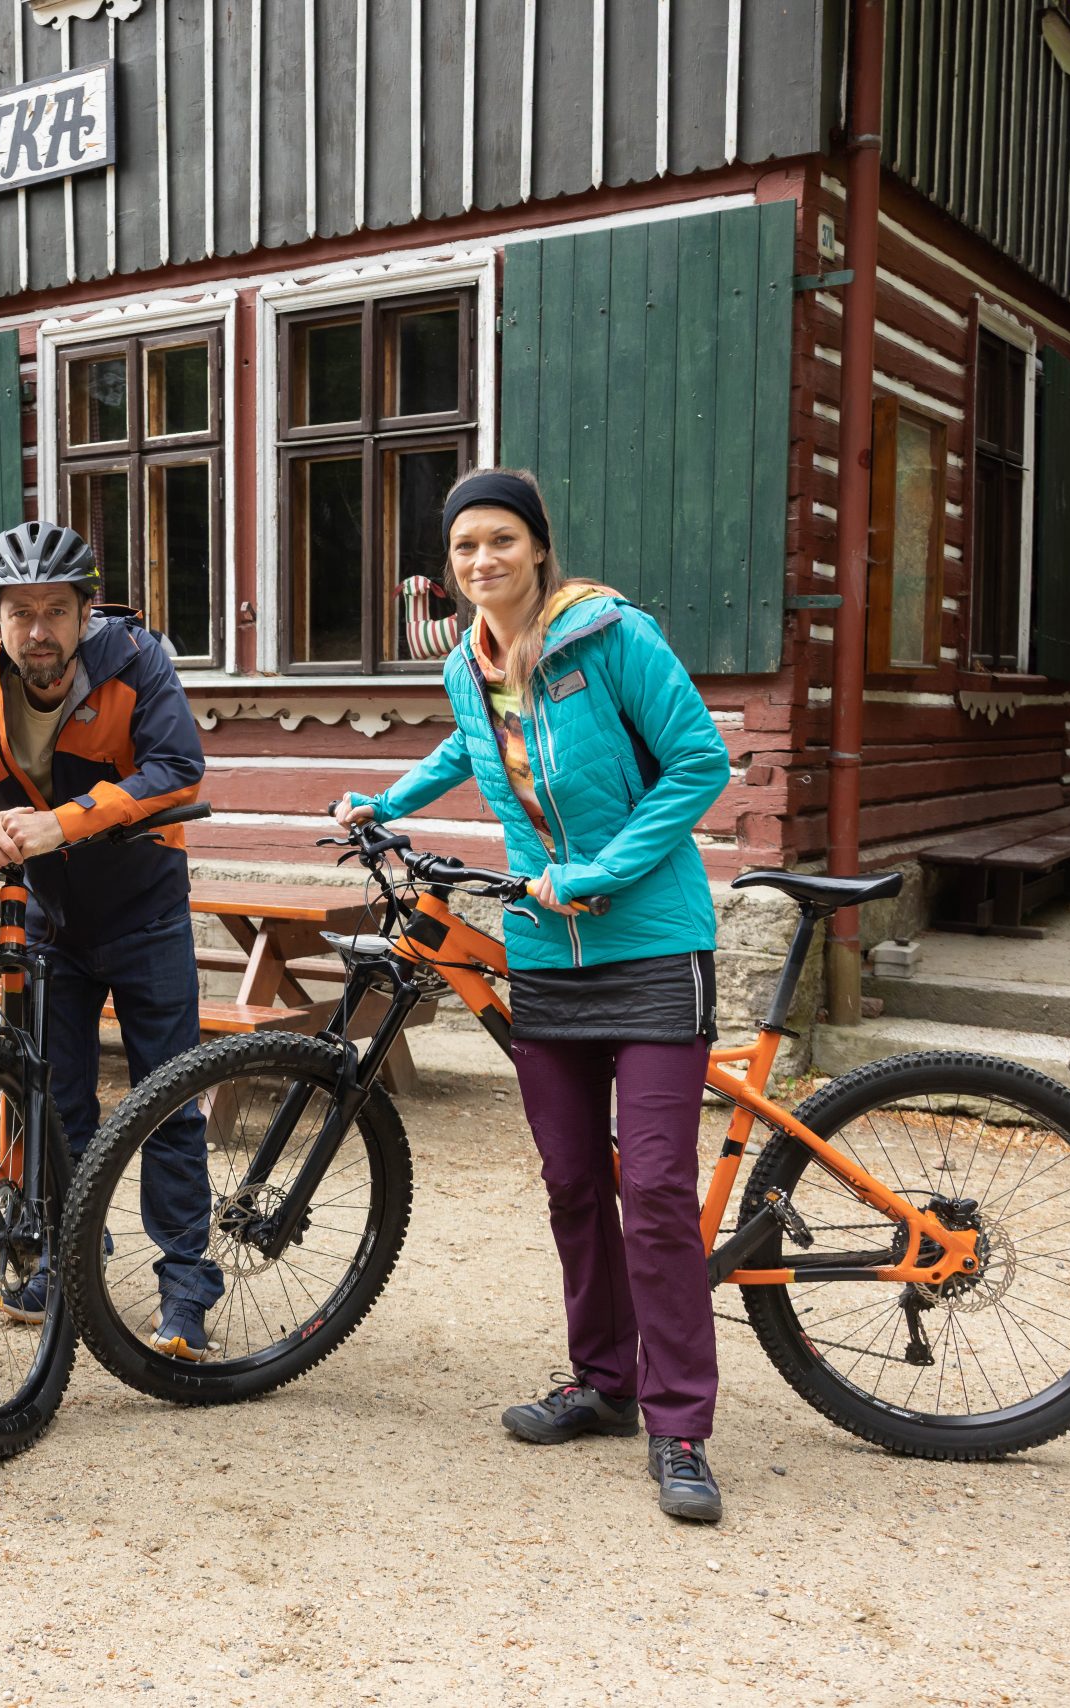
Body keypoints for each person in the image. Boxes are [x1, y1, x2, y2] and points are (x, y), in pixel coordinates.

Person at [336, 467, 732, 1522]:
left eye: (500, 540)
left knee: (650, 1189)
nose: (482, 562)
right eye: (464, 546)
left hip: (649, 943)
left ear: (539, 546)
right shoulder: (472, 662)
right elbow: (468, 746)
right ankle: (603, 1382)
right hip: (544, 952)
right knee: (569, 1181)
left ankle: (679, 1421)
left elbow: (699, 762)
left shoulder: (611, 640)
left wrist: (601, 869)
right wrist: (385, 798)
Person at [0, 521, 218, 1356]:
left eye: (56, 611)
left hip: (146, 910)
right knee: (54, 1102)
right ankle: (71, 1259)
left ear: (84, 612)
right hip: (51, 924)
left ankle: (185, 1288)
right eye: (20, 612)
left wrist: (59, 825)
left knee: (168, 1100)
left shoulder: (137, 664)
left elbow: (175, 769)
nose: (39, 631)